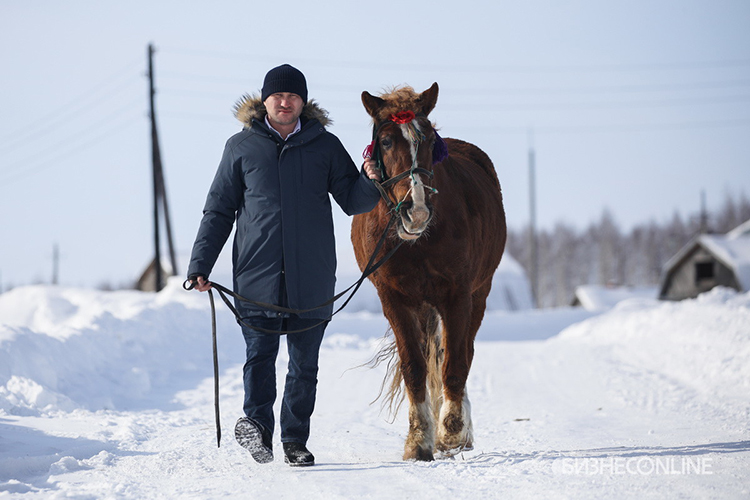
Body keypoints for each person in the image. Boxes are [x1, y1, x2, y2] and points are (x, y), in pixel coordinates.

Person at [187, 64, 381, 467]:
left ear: (303, 101)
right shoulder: (240, 148)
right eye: (278, 95)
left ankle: (294, 440)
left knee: (304, 364)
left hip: (311, 276)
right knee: (259, 357)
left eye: (293, 95)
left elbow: (353, 201)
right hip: (256, 277)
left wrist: (370, 179)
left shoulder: (325, 146)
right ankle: (257, 429)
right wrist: (200, 264)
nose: (285, 101)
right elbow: (219, 210)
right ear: (265, 99)